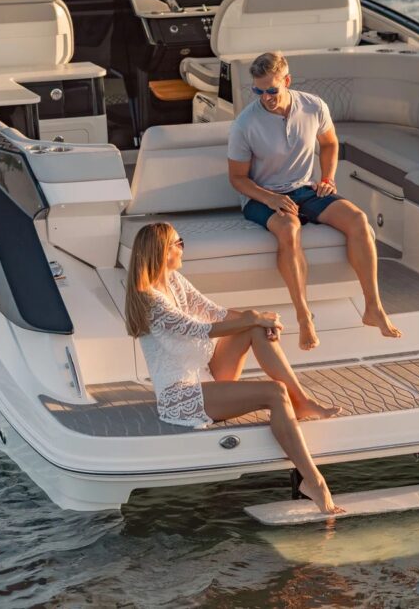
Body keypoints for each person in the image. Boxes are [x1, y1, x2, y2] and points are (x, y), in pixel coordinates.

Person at [124, 222, 343, 514]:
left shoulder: (174, 279)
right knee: (275, 393)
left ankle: (301, 402)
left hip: (207, 376)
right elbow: (198, 329)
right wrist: (255, 317)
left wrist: (261, 320)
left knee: (253, 330)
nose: (183, 248)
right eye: (179, 243)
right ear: (164, 252)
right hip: (181, 397)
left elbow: (216, 312)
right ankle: (313, 481)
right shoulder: (150, 298)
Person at [227, 50, 403, 350]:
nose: (266, 97)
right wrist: (271, 199)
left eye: (272, 90)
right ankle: (304, 316)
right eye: (258, 90)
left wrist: (327, 178)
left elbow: (330, 142)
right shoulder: (245, 123)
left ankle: (373, 307)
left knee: (359, 221)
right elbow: (238, 179)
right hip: (262, 195)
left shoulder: (313, 106)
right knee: (289, 228)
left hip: (306, 188)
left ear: (287, 81)